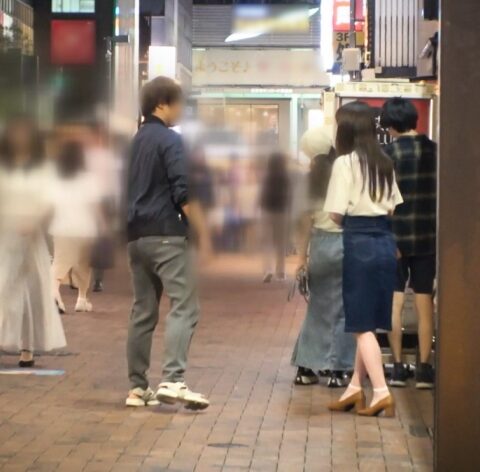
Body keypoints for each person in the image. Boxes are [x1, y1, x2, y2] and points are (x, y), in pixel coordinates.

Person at [125, 76, 211, 409]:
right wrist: (203, 231)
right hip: (167, 234)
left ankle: (137, 388)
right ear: (162, 104)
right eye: (179, 104)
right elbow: (182, 190)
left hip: (136, 236)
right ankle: (173, 379)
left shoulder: (134, 141)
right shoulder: (170, 140)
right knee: (185, 305)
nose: (181, 111)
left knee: (143, 311)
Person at [325, 102, 403, 417]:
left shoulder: (344, 164)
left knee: (360, 324)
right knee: (370, 321)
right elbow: (393, 208)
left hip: (359, 243)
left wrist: (355, 220)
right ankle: (355, 388)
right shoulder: (385, 162)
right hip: (385, 242)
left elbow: (335, 214)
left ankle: (381, 392)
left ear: (347, 129)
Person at [292, 127, 356, 388]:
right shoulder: (344, 172)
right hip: (346, 243)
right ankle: (338, 371)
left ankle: (306, 366)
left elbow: (304, 224)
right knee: (343, 308)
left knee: (317, 308)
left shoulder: (308, 181)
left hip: (320, 246)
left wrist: (301, 259)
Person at [0, 116, 66, 366]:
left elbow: (50, 201)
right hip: (4, 235)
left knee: (30, 293)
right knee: (3, 289)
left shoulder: (43, 168)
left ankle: (27, 347)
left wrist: (34, 220)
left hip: (31, 237)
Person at [380, 98, 437, 389]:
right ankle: (424, 369)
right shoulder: (435, 151)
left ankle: (398, 368)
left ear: (391, 124)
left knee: (395, 301)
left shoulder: (387, 155)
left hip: (395, 238)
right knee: (425, 301)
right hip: (428, 237)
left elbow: (384, 202)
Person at [50, 140, 103, 313]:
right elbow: (95, 206)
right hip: (84, 228)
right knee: (84, 265)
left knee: (60, 262)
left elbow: (50, 204)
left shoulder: (56, 179)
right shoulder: (88, 178)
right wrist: (103, 225)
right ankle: (81, 299)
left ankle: (54, 292)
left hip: (62, 227)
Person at [260, 152, 291, 282]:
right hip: (281, 212)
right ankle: (281, 271)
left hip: (267, 211)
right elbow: (289, 196)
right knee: (280, 243)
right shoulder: (285, 177)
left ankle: (268, 270)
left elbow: (262, 195)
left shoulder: (267, 177)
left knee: (267, 242)